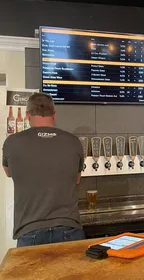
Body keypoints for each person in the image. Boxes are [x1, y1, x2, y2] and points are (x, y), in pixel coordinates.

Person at [2, 93, 85, 247]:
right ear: (54, 115)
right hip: (69, 228)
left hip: (29, 230)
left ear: (27, 115)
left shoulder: (12, 142)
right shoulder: (73, 141)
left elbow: (9, 173)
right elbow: (77, 179)